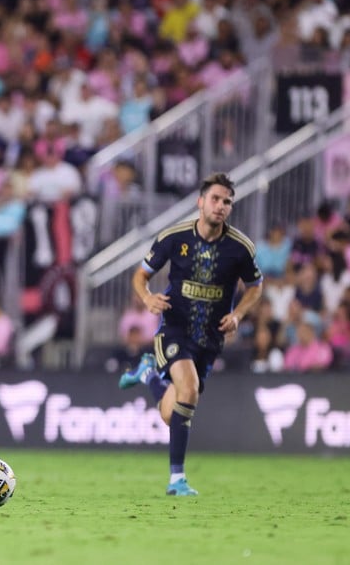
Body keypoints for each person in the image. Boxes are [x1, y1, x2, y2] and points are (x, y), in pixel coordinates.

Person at [118, 174, 263, 496]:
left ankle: (149, 376)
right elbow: (141, 276)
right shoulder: (174, 237)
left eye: (227, 201)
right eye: (215, 199)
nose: (221, 206)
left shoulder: (240, 248)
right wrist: (147, 298)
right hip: (175, 328)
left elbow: (256, 286)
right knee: (190, 388)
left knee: (173, 413)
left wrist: (238, 314)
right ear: (201, 202)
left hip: (209, 340)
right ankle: (176, 480)